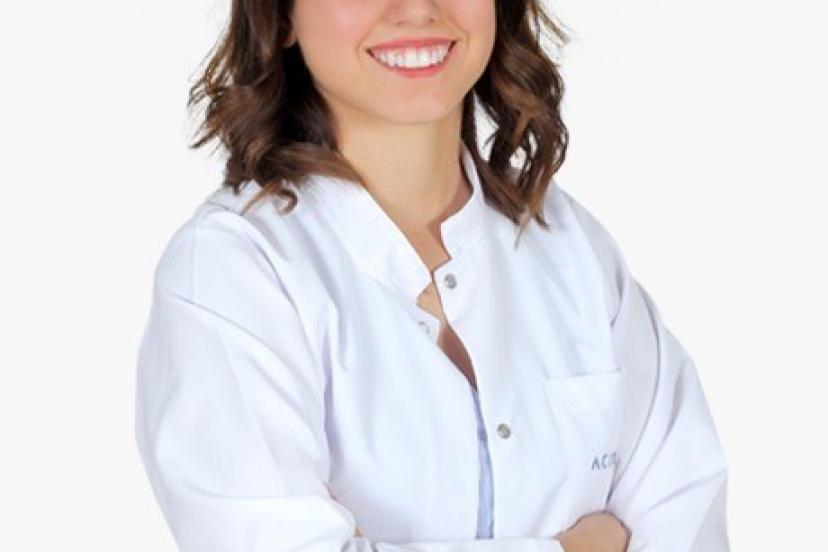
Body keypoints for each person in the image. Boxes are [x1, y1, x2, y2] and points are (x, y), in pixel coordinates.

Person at [134, 1, 730, 551]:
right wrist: (573, 547)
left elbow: (690, 518)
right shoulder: (232, 274)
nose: (417, 8)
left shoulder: (573, 250)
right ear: (280, 17)